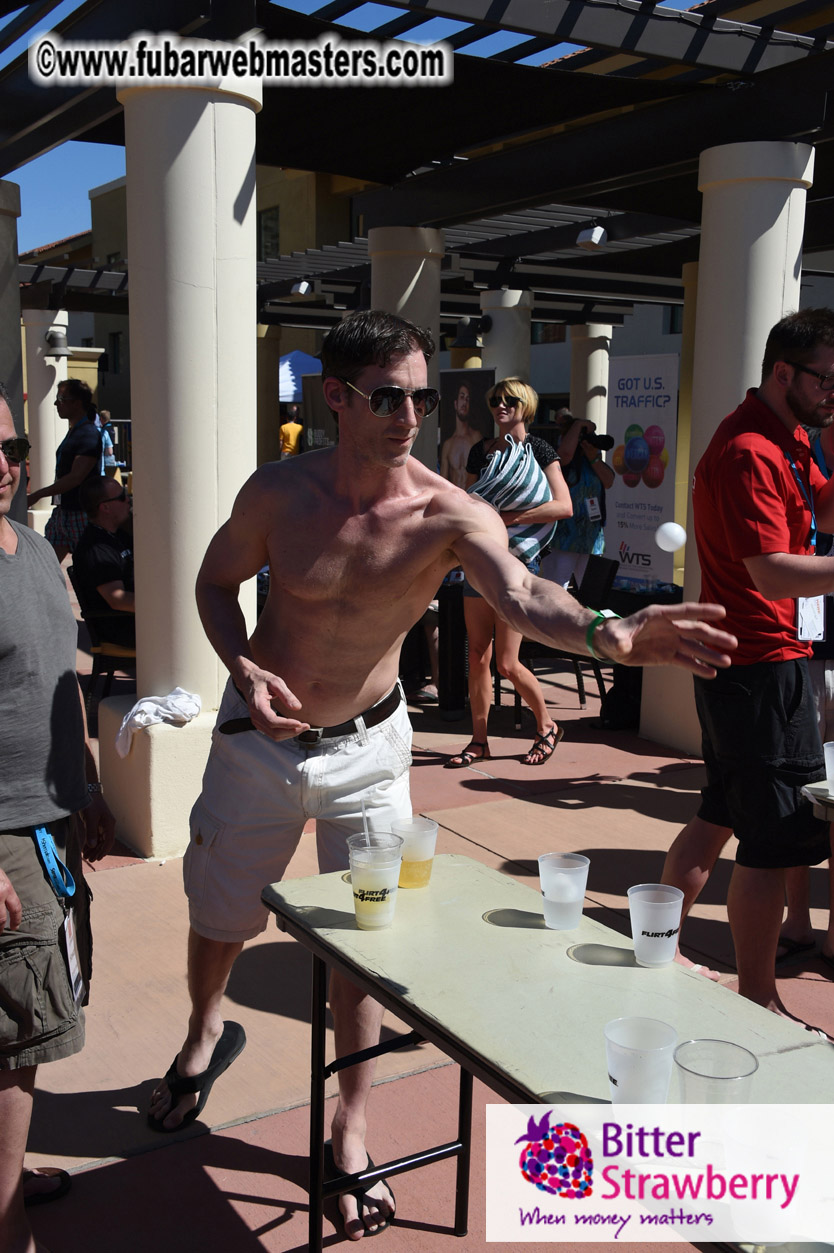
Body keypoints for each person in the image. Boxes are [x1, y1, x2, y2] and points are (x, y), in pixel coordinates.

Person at [147, 310, 735, 1240]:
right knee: (218, 917)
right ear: (337, 397)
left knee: (368, 944)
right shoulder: (278, 495)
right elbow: (215, 584)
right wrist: (244, 667)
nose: (411, 416)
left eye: (420, 397)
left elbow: (524, 592)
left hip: (370, 752)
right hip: (257, 744)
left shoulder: (449, 512)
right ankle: (204, 1030)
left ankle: (351, 1126)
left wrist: (605, 633)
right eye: (389, 397)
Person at [660, 308, 834, 1019]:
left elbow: (821, 508)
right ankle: (759, 996)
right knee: (770, 838)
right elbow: (771, 571)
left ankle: (659, 950)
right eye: (827, 379)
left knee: (720, 812)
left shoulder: (786, 437)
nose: (832, 392)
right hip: (759, 665)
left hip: (751, 662)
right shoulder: (750, 451)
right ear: (783, 372)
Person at [0, 382, 115, 1253]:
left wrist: (90, 786)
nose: (4, 466)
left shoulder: (36, 549)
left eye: (12, 449)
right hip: (3, 834)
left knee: (29, 1019)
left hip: (54, 818)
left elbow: (60, 681)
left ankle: (4, 1177)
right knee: (18, 1035)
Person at [446, 378, 573, 767]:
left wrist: (508, 518)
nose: (501, 406)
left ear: (526, 406)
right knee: (477, 658)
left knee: (506, 662)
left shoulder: (539, 449)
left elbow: (564, 506)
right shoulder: (481, 452)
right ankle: (479, 742)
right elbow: (468, 504)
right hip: (480, 561)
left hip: (518, 564)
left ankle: (547, 725)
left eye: (510, 400)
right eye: (495, 400)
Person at [27, 379, 103, 562]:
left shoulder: (88, 434)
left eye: (61, 399)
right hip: (63, 511)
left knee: (88, 567)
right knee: (46, 564)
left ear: (77, 403)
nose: (56, 403)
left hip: (81, 513)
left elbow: (76, 477)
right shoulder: (75, 431)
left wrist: (37, 495)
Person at [544, 406, 615, 588]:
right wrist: (578, 425)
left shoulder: (592, 461)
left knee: (591, 589)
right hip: (563, 537)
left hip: (590, 537)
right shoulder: (559, 460)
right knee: (557, 587)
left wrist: (594, 457)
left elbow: (609, 480)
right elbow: (564, 455)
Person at [72, 477, 135, 648]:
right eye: (122, 497)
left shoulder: (119, 535)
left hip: (137, 621)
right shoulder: (95, 547)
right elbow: (118, 599)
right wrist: (162, 606)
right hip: (123, 630)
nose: (128, 500)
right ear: (105, 507)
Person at [440, 380, 479, 487]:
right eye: (462, 397)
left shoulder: (476, 438)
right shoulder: (448, 445)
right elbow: (442, 484)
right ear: (456, 404)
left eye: (468, 399)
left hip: (472, 496)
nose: (464, 402)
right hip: (453, 496)